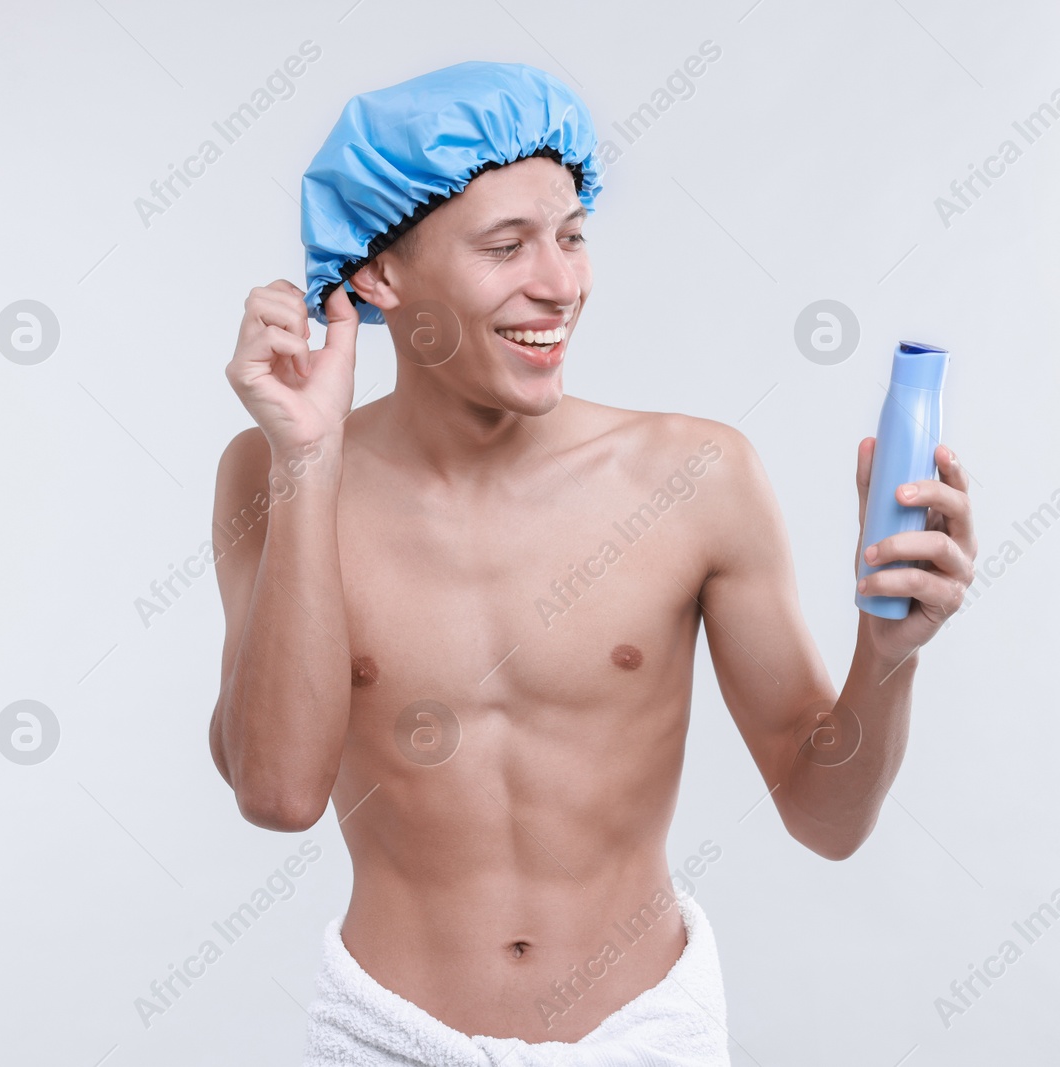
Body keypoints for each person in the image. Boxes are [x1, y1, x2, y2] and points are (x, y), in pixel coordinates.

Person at [208, 61, 975, 1066]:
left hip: (644, 1034)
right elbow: (277, 793)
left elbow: (826, 818)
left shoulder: (695, 476)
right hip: (388, 1037)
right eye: (506, 245)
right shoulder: (271, 474)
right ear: (381, 274)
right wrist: (308, 461)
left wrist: (889, 654)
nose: (559, 282)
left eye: (571, 235)